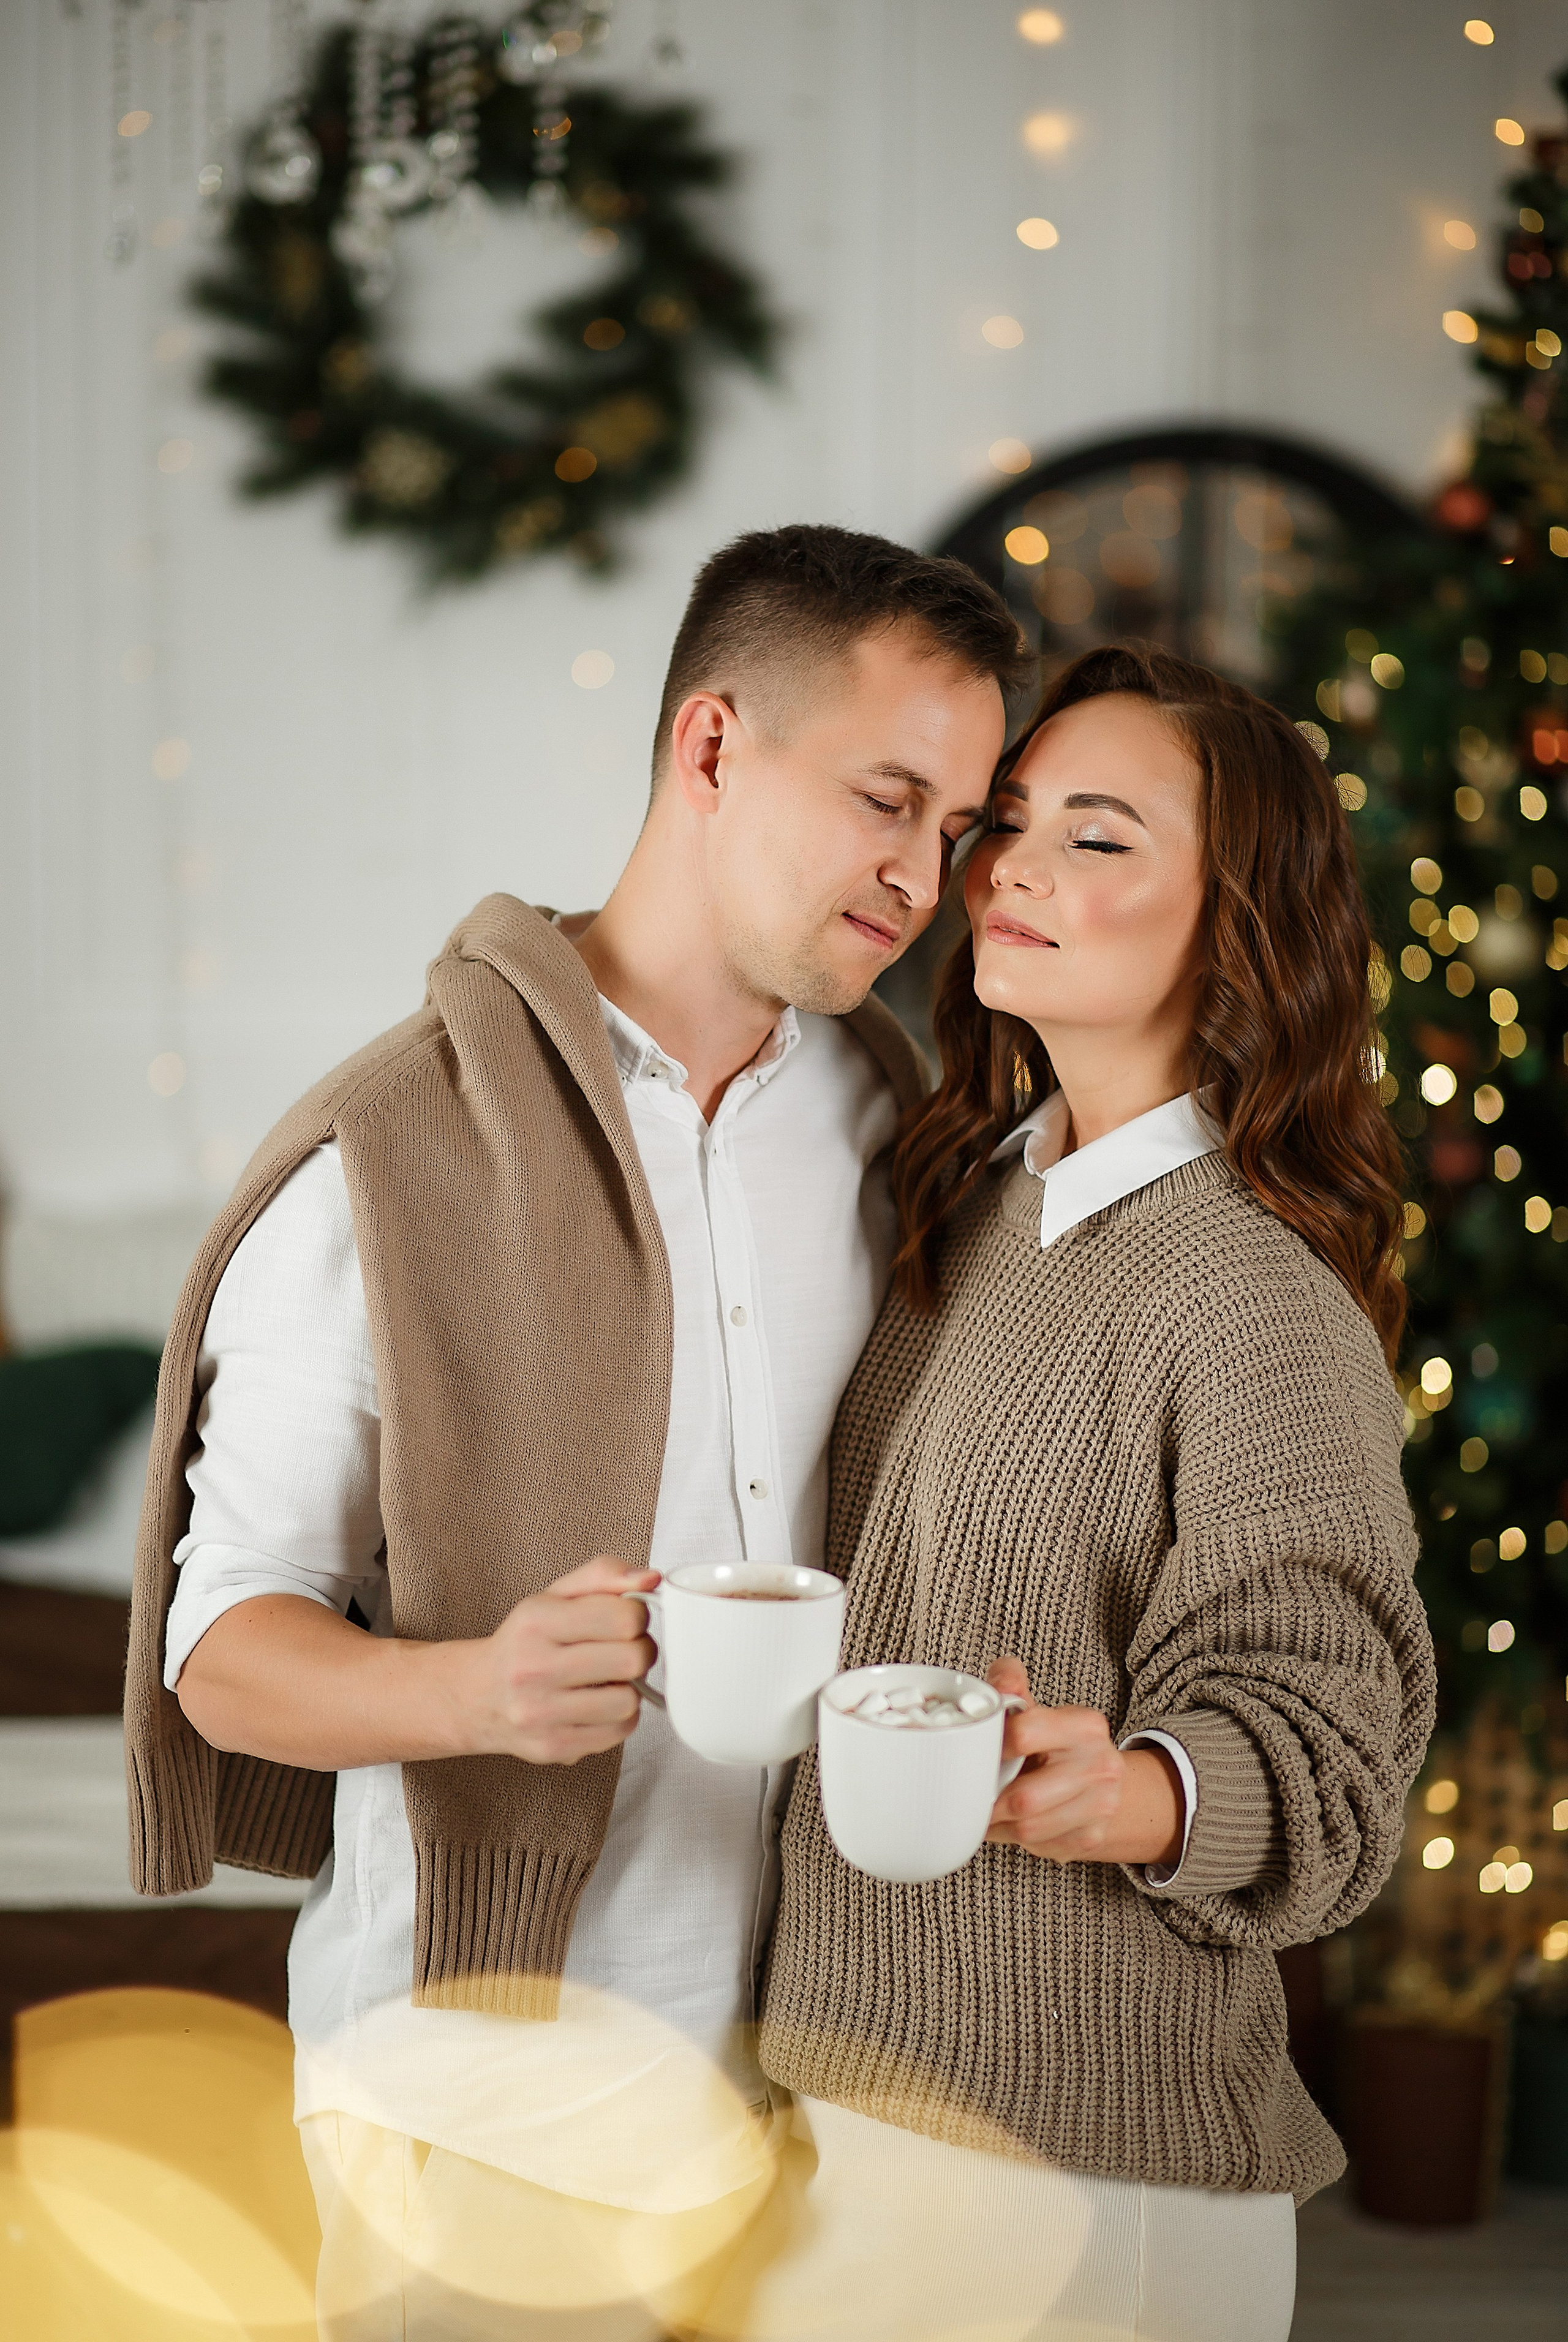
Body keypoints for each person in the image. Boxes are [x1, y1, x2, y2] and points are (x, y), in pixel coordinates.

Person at [123, 524, 1028, 2341]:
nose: (924, 874)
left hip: (840, 2083)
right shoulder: (390, 1153)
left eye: (957, 828)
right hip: (480, 2092)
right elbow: (220, 1647)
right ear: (711, 748)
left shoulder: (900, 1130)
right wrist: (478, 1693)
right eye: (887, 797)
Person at [741, 642, 1437, 2342]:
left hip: (1088, 2172)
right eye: (1017, 818)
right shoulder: (971, 1201)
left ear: (1241, 921)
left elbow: (1337, 1748)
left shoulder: (1253, 1294)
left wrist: (1130, 1791)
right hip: (857, 2101)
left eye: (1102, 835)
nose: (1015, 866)